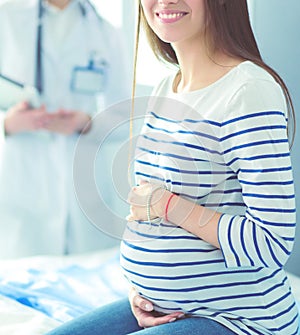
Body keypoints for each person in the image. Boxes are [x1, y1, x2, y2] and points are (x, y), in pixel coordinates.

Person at [45, 0, 299, 334]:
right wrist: (143, 289)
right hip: (163, 308)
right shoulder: (169, 86)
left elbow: (272, 241)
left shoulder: (247, 92)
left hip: (238, 320)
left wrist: (167, 205)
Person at [0, 0, 130, 258]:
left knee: (87, 284)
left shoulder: (105, 32)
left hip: (83, 183)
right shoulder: (6, 16)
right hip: (22, 182)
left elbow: (125, 115)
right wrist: (7, 124)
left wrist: (88, 122)